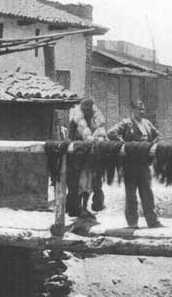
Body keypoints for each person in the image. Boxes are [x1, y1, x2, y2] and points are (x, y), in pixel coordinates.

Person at [108, 99, 163, 229]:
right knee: (131, 193)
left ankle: (152, 221)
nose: (142, 111)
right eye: (139, 109)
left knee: (147, 192)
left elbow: (158, 136)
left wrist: (151, 146)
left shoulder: (147, 123)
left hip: (144, 163)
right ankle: (132, 222)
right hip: (130, 164)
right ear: (132, 110)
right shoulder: (127, 123)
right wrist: (125, 145)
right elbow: (111, 133)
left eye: (143, 109)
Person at [66, 98, 107, 217]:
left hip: (92, 156)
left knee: (90, 183)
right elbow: (70, 138)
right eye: (85, 108)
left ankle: (85, 207)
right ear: (82, 108)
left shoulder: (96, 120)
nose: (88, 110)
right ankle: (77, 208)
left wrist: (98, 141)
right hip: (78, 156)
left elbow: (102, 135)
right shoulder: (76, 120)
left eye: (90, 107)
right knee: (78, 183)